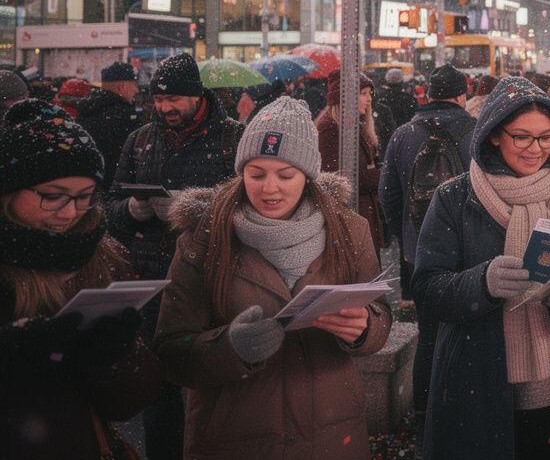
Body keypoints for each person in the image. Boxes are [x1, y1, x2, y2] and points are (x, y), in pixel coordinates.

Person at [154, 97, 391, 458]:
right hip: (235, 440)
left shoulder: (350, 230)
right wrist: (229, 348)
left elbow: (379, 316)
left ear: (308, 175)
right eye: (256, 174)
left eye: (285, 175)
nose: (269, 189)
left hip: (330, 437)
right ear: (241, 171)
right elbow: (171, 351)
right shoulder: (203, 239)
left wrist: (363, 329)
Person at [412, 76, 550, 460]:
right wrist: (480, 284)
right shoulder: (454, 197)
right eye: (522, 136)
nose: (535, 149)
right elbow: (426, 288)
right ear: (493, 135)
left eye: (545, 137)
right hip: (474, 377)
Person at [103, 51, 244, 460]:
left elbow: (251, 205)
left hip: (211, 274)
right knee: (158, 386)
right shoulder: (140, 141)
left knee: (214, 376)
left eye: (173, 100)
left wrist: (197, 213)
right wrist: (129, 210)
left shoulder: (231, 138)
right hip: (152, 277)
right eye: (158, 100)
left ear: (197, 97)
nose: (164, 108)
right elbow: (110, 203)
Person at [1, 101, 160, 459]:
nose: (70, 213)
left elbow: (130, 401)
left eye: (84, 198)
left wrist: (114, 361)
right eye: (52, 197)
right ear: (8, 191)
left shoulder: (104, 258)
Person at [378, 64, 475, 432]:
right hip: (470, 253)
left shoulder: (403, 135)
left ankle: (425, 413)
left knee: (430, 335)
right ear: (462, 94)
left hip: (421, 255)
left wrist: (407, 235)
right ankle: (465, 412)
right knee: (472, 335)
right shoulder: (476, 132)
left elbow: (389, 194)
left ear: (428, 93)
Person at [315, 73, 385, 251]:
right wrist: (385, 174)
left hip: (361, 212)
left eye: (370, 93)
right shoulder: (331, 128)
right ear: (346, 97)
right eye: (363, 93)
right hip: (349, 215)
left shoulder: (354, 125)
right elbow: (340, 178)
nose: (369, 100)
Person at [76, 61, 145, 188]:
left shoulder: (86, 109)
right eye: (134, 85)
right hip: (116, 187)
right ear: (122, 87)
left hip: (89, 185)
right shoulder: (125, 115)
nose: (136, 90)